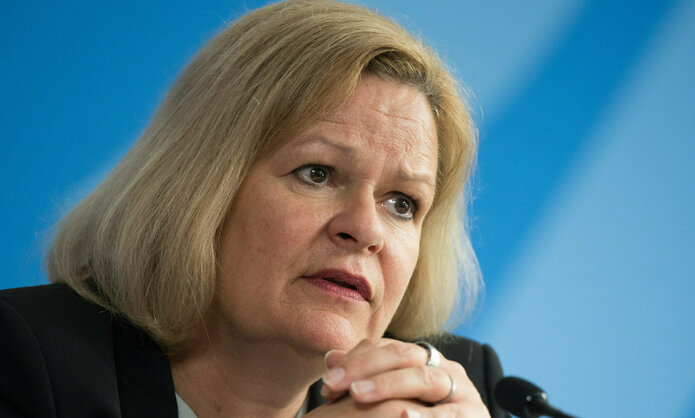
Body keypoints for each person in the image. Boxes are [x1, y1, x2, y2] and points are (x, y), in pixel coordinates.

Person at [0, 0, 509, 416]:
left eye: (402, 203)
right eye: (318, 173)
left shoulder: (439, 392)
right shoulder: (24, 360)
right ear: (200, 185)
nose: (365, 229)